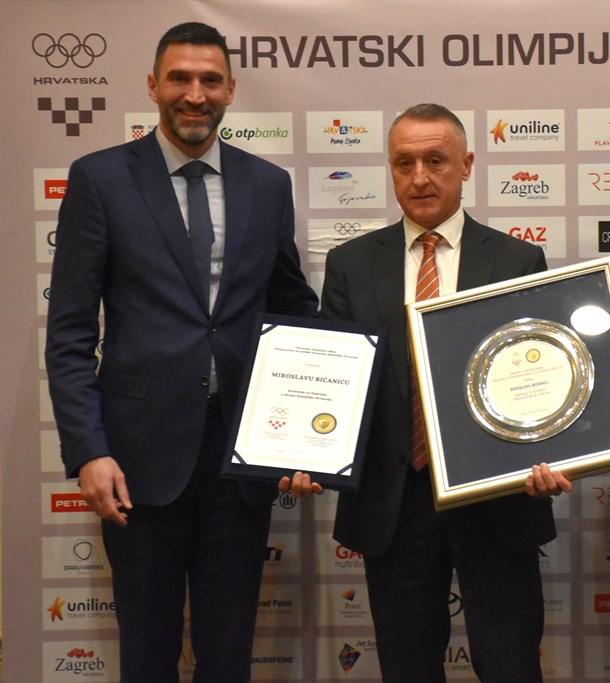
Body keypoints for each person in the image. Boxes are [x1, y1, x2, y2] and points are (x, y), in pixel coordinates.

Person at [45, 22, 318, 682]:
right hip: (137, 460)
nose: (195, 95)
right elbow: (71, 333)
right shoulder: (100, 178)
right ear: (153, 85)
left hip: (242, 457)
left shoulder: (268, 184)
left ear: (230, 89)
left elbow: (292, 311)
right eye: (180, 79)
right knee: (147, 653)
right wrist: (88, 450)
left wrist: (309, 433)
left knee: (228, 654)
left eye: (209, 80)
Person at [281, 103, 571, 682]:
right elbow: (333, 380)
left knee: (511, 665)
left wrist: (551, 452)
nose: (419, 177)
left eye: (435, 161)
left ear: (466, 165)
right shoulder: (351, 264)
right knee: (407, 668)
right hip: (395, 501)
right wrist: (306, 451)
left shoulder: (517, 259)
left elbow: (541, 378)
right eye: (404, 163)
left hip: (498, 497)